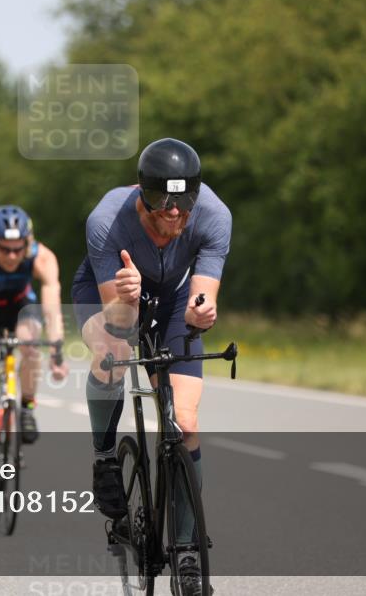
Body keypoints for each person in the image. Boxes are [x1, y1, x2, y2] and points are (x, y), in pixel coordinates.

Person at [72, 138, 231, 595]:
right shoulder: (107, 221)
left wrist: (201, 313)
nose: (174, 217)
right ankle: (105, 459)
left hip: (173, 298)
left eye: (183, 207)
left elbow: (202, 296)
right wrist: (127, 297)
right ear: (142, 197)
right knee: (113, 353)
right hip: (114, 295)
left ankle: (185, 549)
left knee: (184, 420)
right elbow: (120, 326)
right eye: (163, 209)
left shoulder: (215, 216)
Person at [0, 205, 68, 493]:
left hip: (21, 308)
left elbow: (52, 311)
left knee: (31, 344)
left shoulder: (43, 257)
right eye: (4, 249)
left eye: (17, 249)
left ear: (27, 244)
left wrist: (57, 352)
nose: (11, 256)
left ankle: (27, 408)